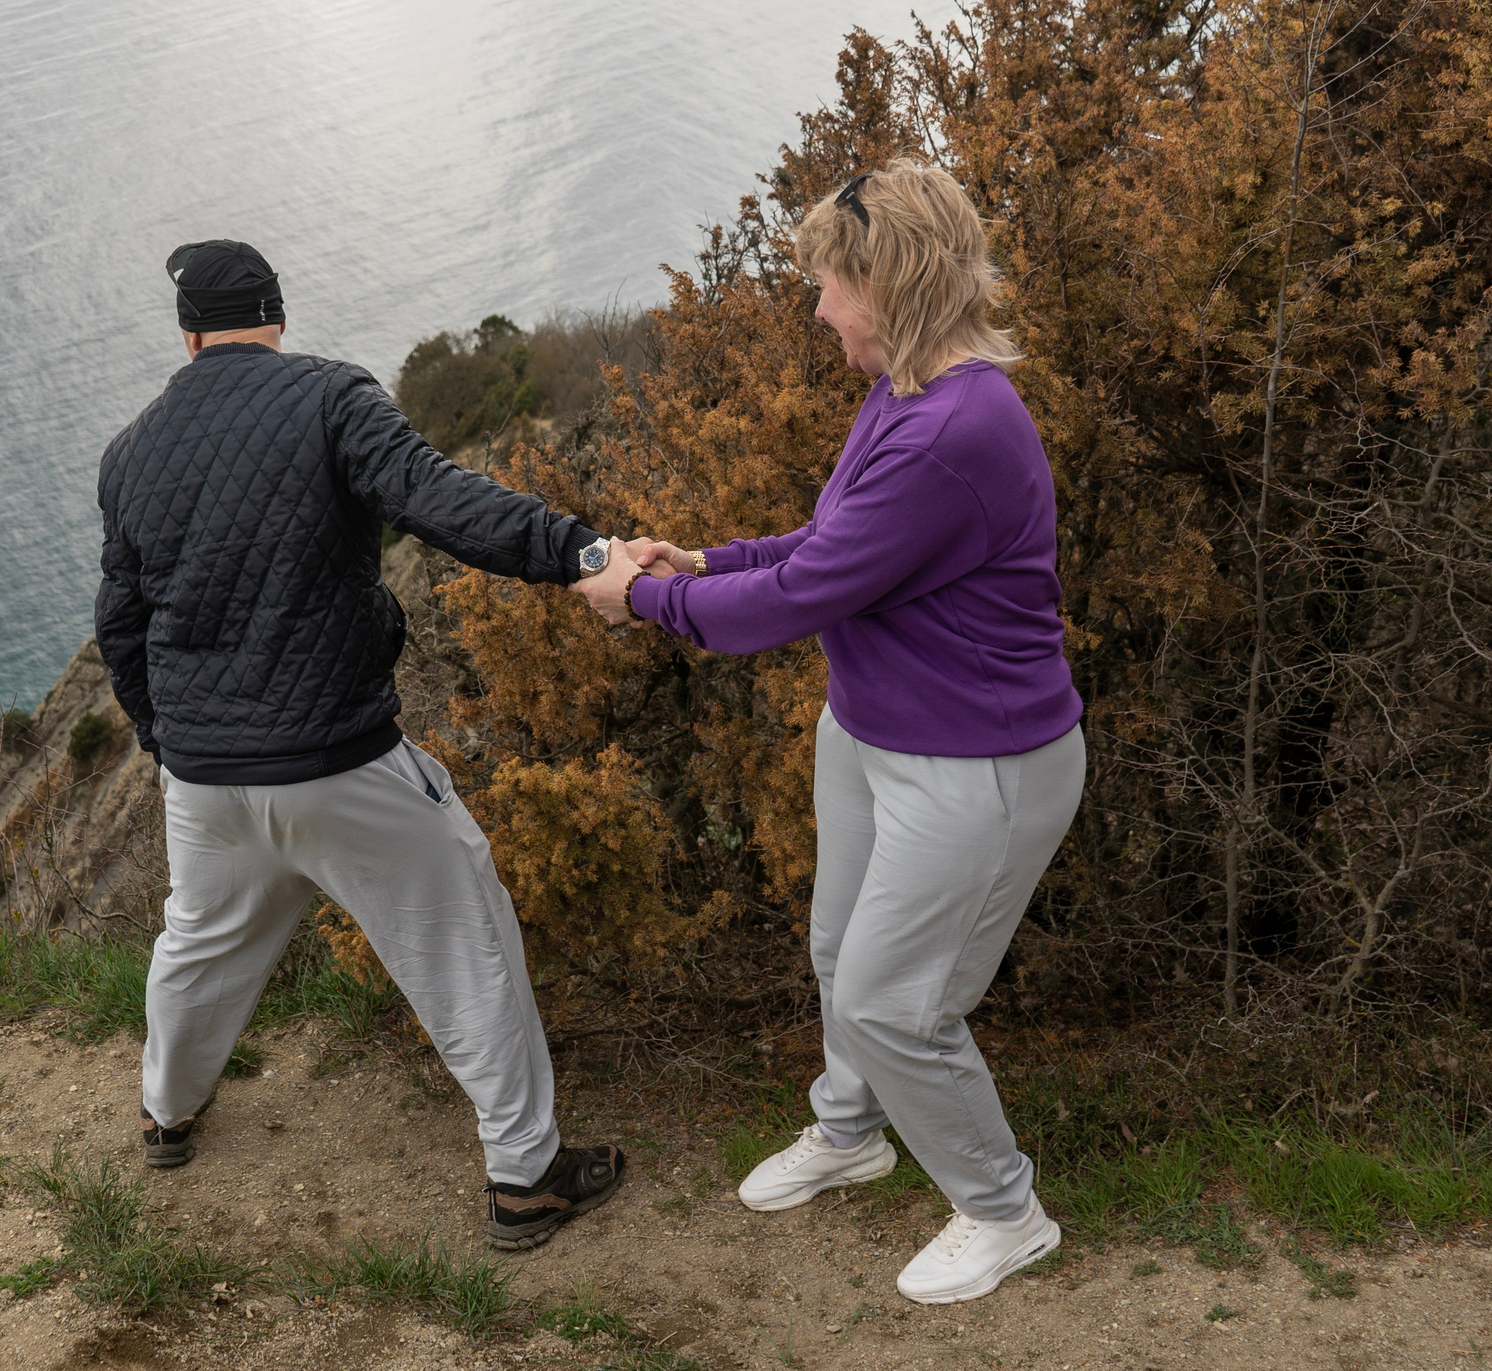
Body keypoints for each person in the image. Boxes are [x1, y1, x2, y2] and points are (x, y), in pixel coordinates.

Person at [571, 159, 1085, 1303]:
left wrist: (642, 597)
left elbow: (799, 601)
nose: (815, 309)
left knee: (893, 1002)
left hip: (976, 768)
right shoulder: (905, 393)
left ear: (887, 282)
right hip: (873, 735)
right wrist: (701, 559)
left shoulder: (953, 429)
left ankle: (1003, 1210)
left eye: (828, 285)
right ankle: (850, 1133)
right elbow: (825, 544)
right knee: (836, 955)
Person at [95, 239, 630, 1250]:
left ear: (189, 332)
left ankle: (165, 1115)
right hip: (336, 757)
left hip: (204, 776)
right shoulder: (330, 397)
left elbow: (121, 626)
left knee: (198, 943)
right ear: (277, 316)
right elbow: (438, 501)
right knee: (465, 936)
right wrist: (578, 552)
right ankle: (527, 1178)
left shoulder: (131, 450)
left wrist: (169, 742)